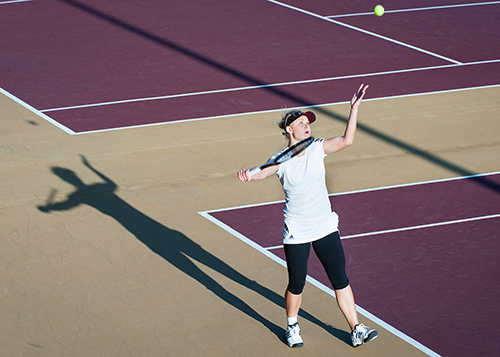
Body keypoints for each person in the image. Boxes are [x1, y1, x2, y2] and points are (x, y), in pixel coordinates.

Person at [237, 84, 378, 348]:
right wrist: (249, 174)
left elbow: (347, 141)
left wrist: (354, 109)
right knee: (297, 283)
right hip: (297, 230)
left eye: (308, 122)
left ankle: (356, 328)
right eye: (301, 123)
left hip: (325, 225)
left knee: (340, 278)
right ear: (289, 129)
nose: (307, 126)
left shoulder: (317, 148)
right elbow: (263, 172)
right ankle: (292, 326)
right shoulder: (278, 160)